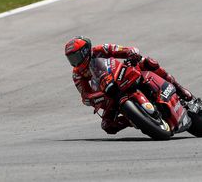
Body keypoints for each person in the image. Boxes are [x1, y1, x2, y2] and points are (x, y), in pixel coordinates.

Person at [64, 36, 193, 134]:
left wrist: (131, 54)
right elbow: (85, 96)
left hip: (120, 75)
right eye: (71, 59)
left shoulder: (100, 50)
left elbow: (124, 50)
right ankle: (135, 119)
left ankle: (180, 89)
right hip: (108, 93)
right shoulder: (77, 74)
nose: (74, 62)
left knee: (148, 62)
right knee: (107, 126)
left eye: (76, 57)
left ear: (85, 51)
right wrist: (97, 97)